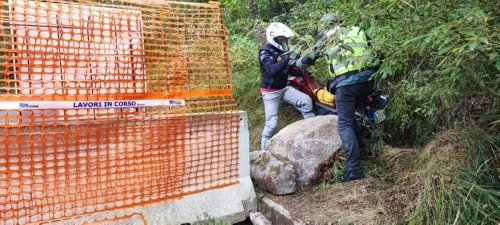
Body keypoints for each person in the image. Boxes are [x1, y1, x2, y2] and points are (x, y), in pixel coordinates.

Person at [319, 14, 380, 182]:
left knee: (345, 124)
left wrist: (300, 62)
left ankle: (353, 169)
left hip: (346, 86)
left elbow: (308, 59)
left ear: (326, 25)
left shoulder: (327, 37)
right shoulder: (358, 30)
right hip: (369, 80)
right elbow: (377, 52)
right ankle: (366, 146)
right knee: (361, 113)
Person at [258, 22, 315, 150]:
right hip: (270, 92)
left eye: (284, 38)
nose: (283, 40)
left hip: (284, 88)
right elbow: (271, 69)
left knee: (306, 101)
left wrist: (304, 67)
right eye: (280, 38)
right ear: (273, 38)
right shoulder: (265, 52)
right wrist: (286, 59)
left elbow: (291, 70)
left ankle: (312, 133)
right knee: (272, 123)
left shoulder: (282, 51)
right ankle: (263, 151)